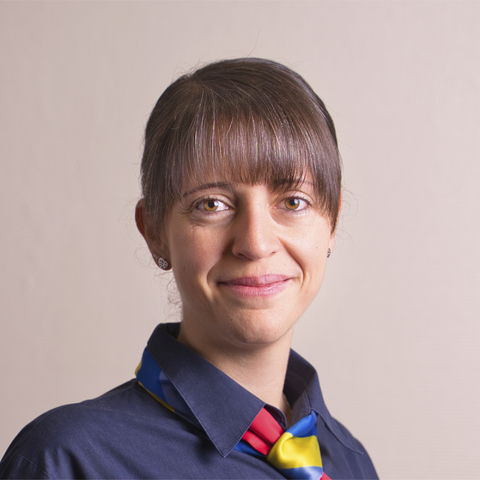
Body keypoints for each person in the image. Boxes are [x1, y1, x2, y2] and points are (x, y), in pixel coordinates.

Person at [0, 58, 378, 479]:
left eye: (293, 202)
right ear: (155, 231)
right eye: (211, 204)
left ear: (332, 223)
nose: (255, 243)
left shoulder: (351, 462)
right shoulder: (66, 461)